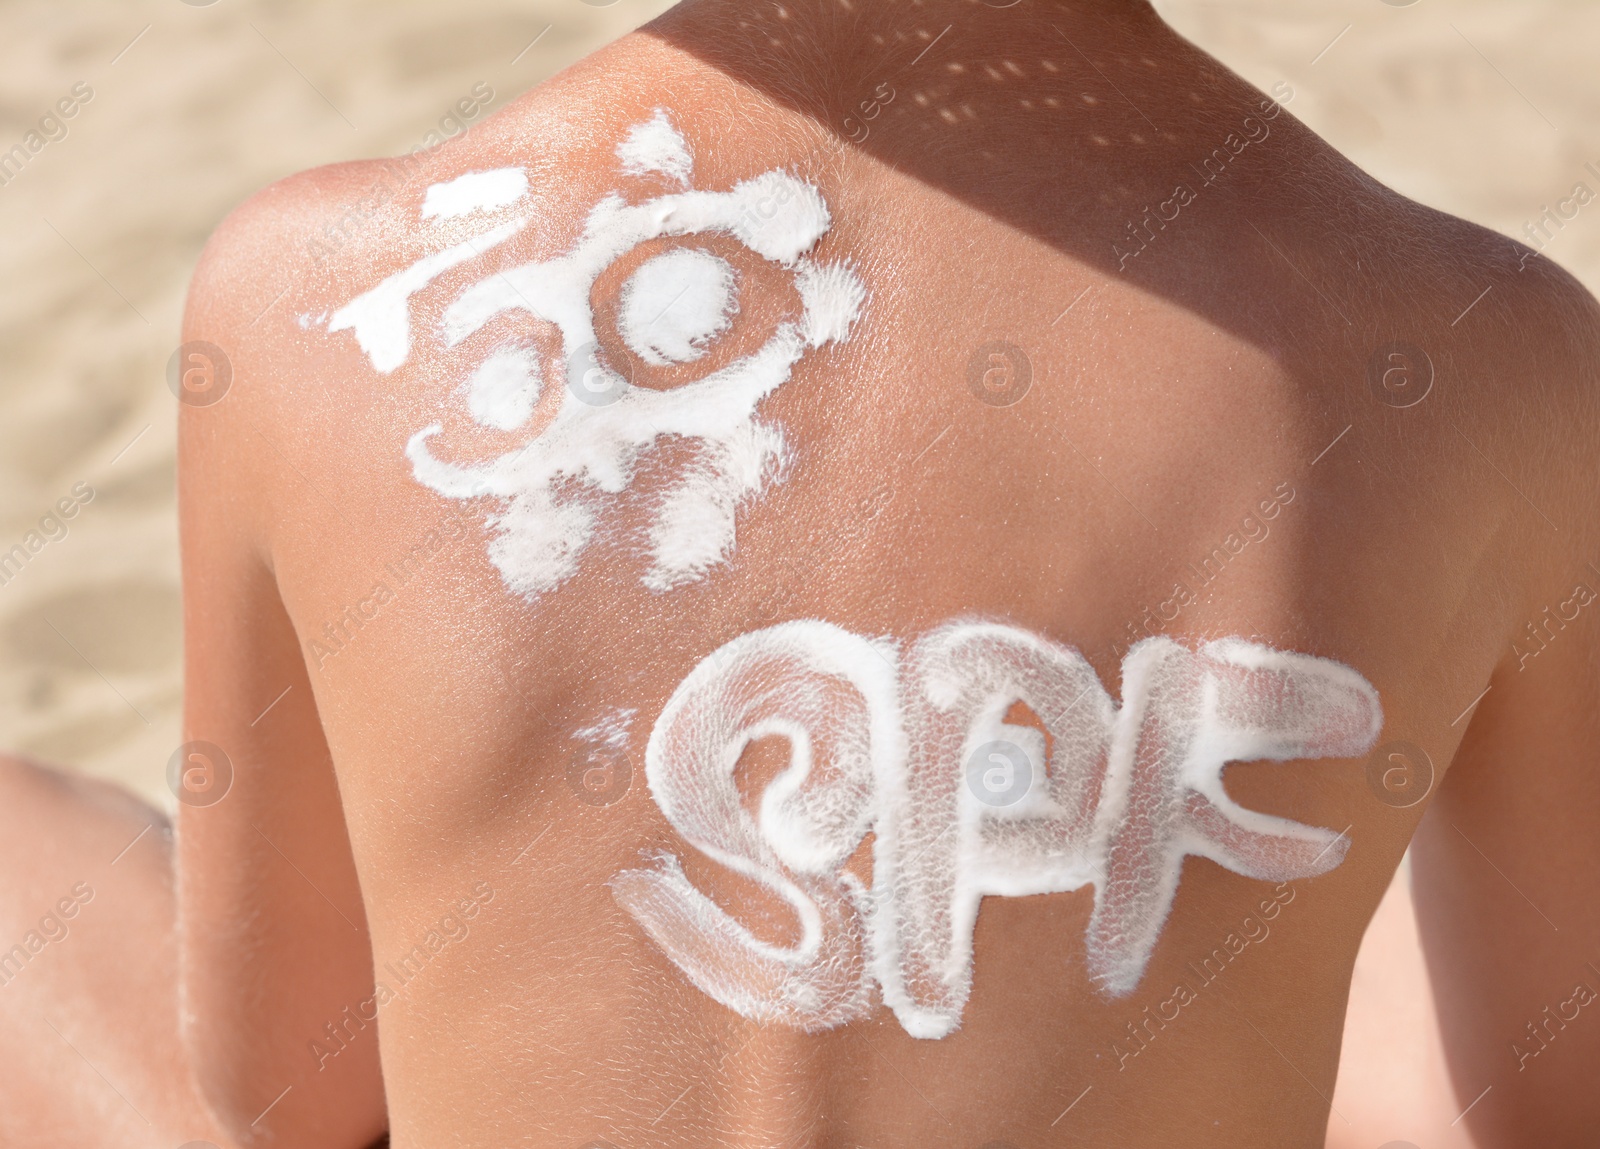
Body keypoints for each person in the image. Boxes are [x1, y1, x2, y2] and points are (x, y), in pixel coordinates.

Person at [5, 0, 1600, 1145]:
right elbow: (1547, 1101)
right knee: (1365, 921)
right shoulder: (1489, 349)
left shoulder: (312, 297)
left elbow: (293, 1094)